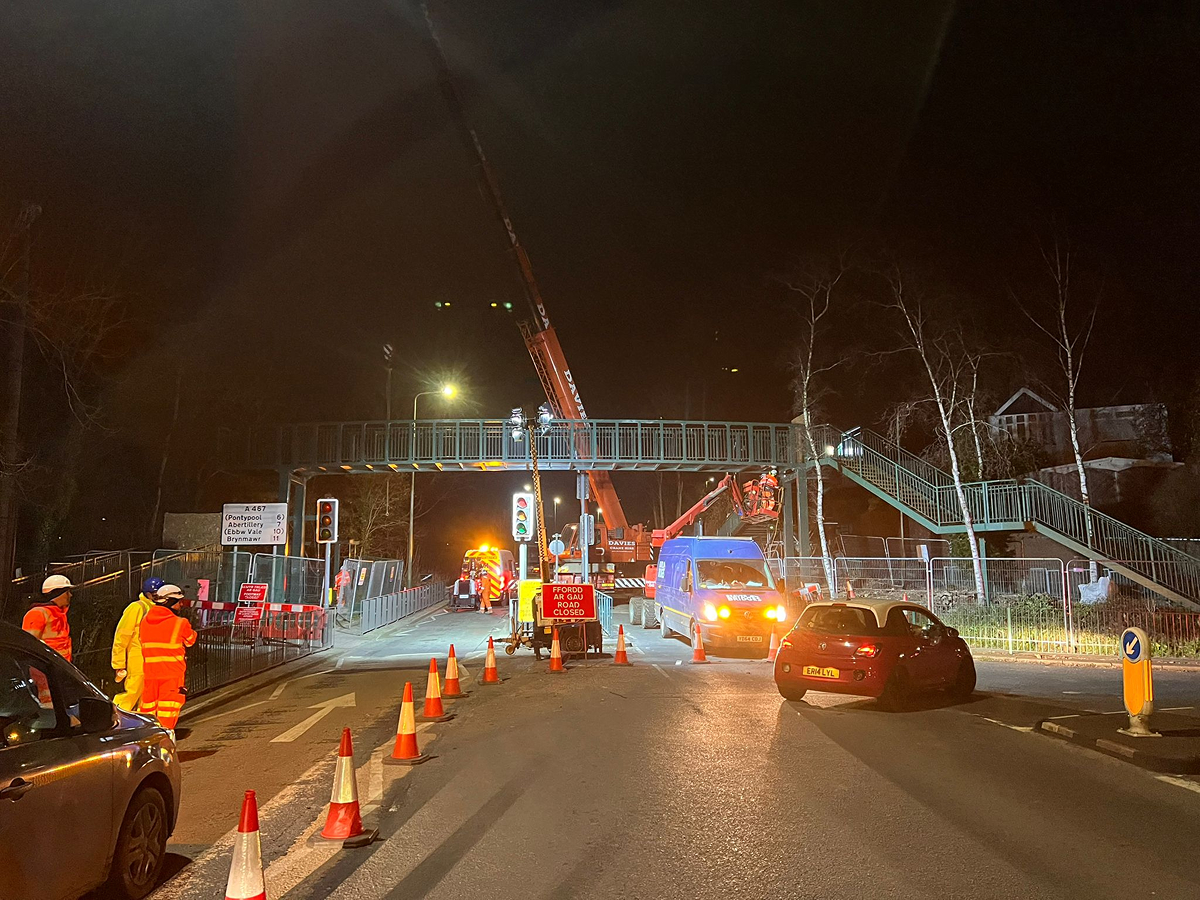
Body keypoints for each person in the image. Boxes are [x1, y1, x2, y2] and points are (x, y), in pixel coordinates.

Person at [138, 583, 197, 740]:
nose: (181, 604)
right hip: (171, 676)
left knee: (148, 711)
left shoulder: (145, 621)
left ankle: (148, 741)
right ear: (170, 602)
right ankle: (164, 743)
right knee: (167, 712)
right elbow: (191, 640)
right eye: (178, 601)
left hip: (150, 675)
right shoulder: (180, 623)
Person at [111, 577, 164, 712]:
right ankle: (115, 716)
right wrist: (119, 664)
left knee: (148, 696)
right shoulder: (137, 607)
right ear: (149, 594)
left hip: (151, 659)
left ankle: (142, 723)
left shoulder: (156, 609)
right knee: (132, 692)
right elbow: (121, 636)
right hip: (138, 659)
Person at [22, 574, 74, 661]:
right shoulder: (37, 613)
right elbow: (29, 645)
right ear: (58, 594)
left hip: (60, 667)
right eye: (67, 592)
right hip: (45, 668)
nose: (70, 595)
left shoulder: (60, 614)